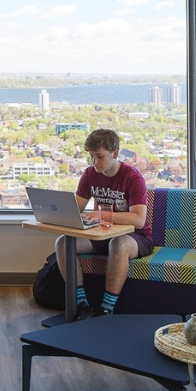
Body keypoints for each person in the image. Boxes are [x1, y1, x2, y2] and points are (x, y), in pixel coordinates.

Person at [55, 129, 152, 320]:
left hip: (135, 237)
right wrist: (59, 212)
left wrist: (100, 215)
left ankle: (106, 309)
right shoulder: (90, 175)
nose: (95, 162)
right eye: (92, 157)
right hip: (102, 235)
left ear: (115, 153)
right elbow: (77, 208)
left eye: (99, 156)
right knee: (63, 243)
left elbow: (139, 219)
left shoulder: (132, 177)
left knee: (118, 244)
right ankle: (81, 305)